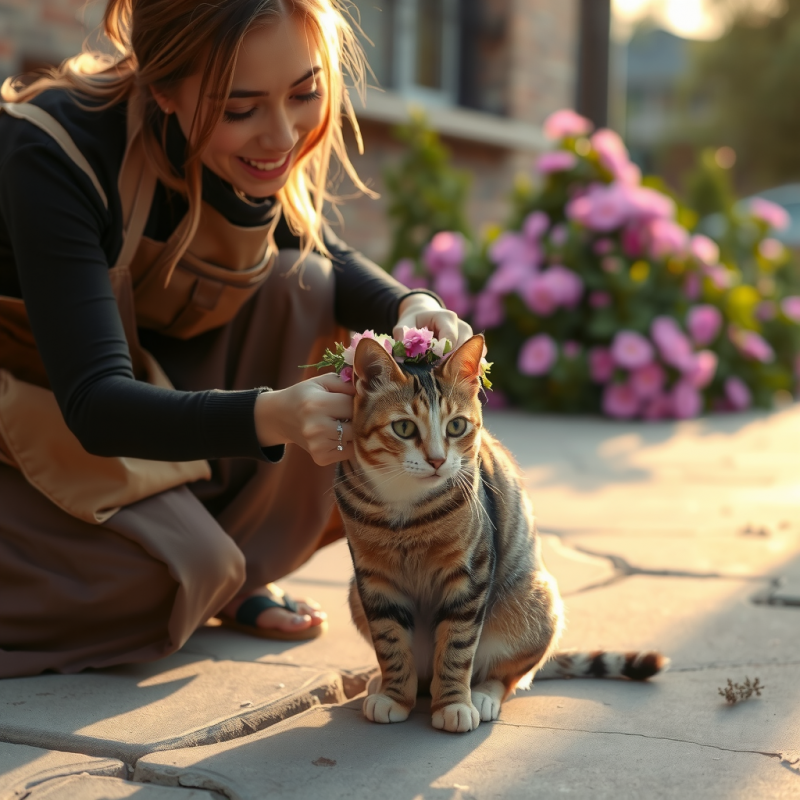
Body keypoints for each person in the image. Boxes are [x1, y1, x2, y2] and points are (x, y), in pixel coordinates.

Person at [0, 0, 472, 678]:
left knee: (301, 283)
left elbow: (319, 249)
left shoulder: (239, 146)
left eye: (304, 93)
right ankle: (201, 569)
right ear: (161, 88)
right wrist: (270, 414)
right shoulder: (52, 152)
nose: (281, 136)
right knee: (178, 576)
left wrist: (412, 304)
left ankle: (226, 570)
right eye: (240, 108)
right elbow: (96, 405)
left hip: (138, 388)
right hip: (38, 407)